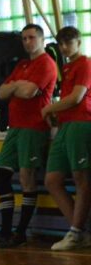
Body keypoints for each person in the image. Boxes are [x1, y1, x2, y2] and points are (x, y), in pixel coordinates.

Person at [0, 24, 57, 248]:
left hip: (34, 127)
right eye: (24, 38)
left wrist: (15, 86)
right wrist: (17, 85)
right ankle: (5, 231)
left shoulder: (46, 63)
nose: (27, 42)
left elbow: (28, 92)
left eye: (31, 37)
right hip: (14, 127)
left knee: (27, 178)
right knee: (0, 177)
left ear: (41, 39)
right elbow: (1, 92)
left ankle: (21, 233)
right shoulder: (22, 64)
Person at [42, 26, 91, 250]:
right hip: (65, 126)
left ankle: (76, 232)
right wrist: (56, 113)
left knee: (82, 178)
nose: (63, 47)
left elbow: (76, 98)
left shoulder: (85, 64)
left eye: (68, 43)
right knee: (52, 180)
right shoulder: (67, 67)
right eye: (60, 43)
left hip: (81, 123)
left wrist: (48, 108)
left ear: (78, 42)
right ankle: (80, 232)